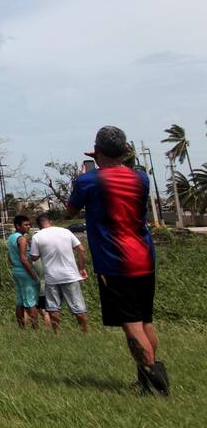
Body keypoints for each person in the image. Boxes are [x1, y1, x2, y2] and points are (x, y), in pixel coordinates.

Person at [68, 125, 167, 395]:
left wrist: (92, 167)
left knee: (131, 324)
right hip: (145, 257)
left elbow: (71, 209)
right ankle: (147, 378)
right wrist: (106, 158)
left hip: (115, 261)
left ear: (97, 150)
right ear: (125, 151)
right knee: (145, 320)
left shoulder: (88, 181)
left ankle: (155, 380)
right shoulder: (141, 179)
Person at [29, 215, 88, 333]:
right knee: (79, 307)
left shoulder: (37, 237)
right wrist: (81, 268)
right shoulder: (66, 231)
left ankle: (56, 333)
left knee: (53, 307)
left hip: (52, 278)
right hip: (70, 276)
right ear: (50, 221)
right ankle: (85, 331)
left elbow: (34, 257)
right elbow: (81, 250)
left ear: (39, 225)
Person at [8, 215, 40, 329]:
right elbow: (23, 258)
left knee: (20, 301)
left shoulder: (11, 238)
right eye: (25, 225)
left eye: (29, 224)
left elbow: (9, 257)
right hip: (25, 272)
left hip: (16, 271)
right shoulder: (22, 239)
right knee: (31, 301)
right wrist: (32, 275)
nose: (28, 227)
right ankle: (35, 329)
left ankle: (21, 328)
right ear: (17, 226)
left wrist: (15, 267)